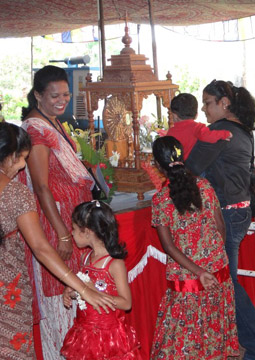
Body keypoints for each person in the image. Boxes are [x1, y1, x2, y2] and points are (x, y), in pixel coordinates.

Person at [0, 122, 115, 358]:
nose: (23, 167)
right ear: (9, 156)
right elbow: (42, 249)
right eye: (22, 158)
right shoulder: (15, 193)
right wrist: (83, 289)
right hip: (7, 294)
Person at [186, 80, 255, 360]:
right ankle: (236, 343)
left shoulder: (220, 132)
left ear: (224, 103)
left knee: (225, 282)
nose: (203, 109)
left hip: (224, 213)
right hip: (237, 210)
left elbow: (191, 167)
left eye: (208, 103)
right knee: (225, 281)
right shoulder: (243, 130)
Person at [19, 65, 95, 358]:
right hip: (56, 223)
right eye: (54, 95)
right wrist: (63, 234)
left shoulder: (52, 121)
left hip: (70, 219)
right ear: (38, 95)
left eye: (65, 94)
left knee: (76, 292)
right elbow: (41, 187)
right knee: (60, 294)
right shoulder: (37, 131)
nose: (61, 100)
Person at [150, 136, 238, 358]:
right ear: (183, 157)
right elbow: (220, 226)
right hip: (217, 269)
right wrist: (215, 258)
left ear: (158, 166)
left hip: (189, 275)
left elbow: (169, 247)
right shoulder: (205, 186)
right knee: (212, 327)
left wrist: (198, 271)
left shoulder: (161, 199)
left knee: (184, 336)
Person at [60, 200, 140, 359]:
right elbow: (84, 291)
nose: (71, 233)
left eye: (74, 229)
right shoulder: (85, 258)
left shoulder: (114, 264)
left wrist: (94, 291)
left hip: (107, 336)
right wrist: (71, 291)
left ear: (87, 232)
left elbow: (126, 303)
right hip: (84, 332)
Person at [165, 93, 232, 158]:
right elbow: (209, 136)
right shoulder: (197, 128)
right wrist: (225, 134)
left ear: (175, 115)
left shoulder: (170, 132)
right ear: (196, 115)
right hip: (190, 166)